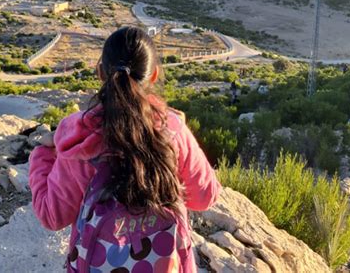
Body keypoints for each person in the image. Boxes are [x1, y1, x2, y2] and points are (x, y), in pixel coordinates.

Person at [29, 26, 220, 272]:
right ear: (153, 76)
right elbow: (205, 197)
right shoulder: (171, 128)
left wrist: (43, 154)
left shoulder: (80, 135)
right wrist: (181, 131)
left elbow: (52, 215)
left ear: (100, 72)